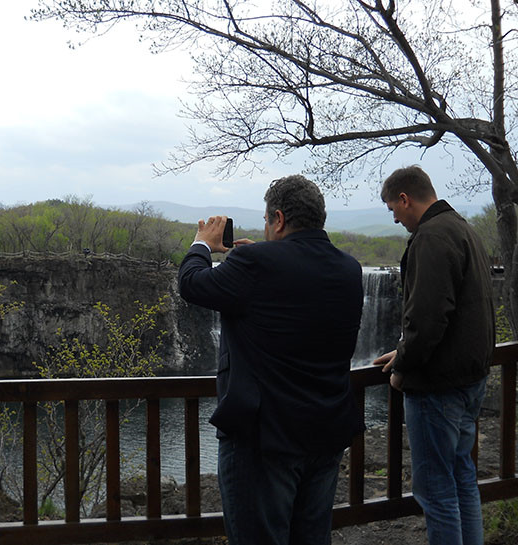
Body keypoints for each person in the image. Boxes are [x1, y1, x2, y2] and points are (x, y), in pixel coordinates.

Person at [178, 175, 364, 545]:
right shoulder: (349, 267)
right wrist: (257, 258)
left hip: (263, 442)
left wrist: (202, 245)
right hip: (326, 434)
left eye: (266, 220)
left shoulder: (255, 263)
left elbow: (192, 283)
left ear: (278, 219)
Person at [373, 166, 494, 545]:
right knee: (462, 479)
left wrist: (403, 366)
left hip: (437, 387)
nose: (395, 218)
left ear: (405, 199)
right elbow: (456, 311)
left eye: (393, 209)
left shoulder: (430, 237)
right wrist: (403, 349)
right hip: (470, 380)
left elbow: (427, 319)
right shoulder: (463, 229)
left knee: (436, 491)